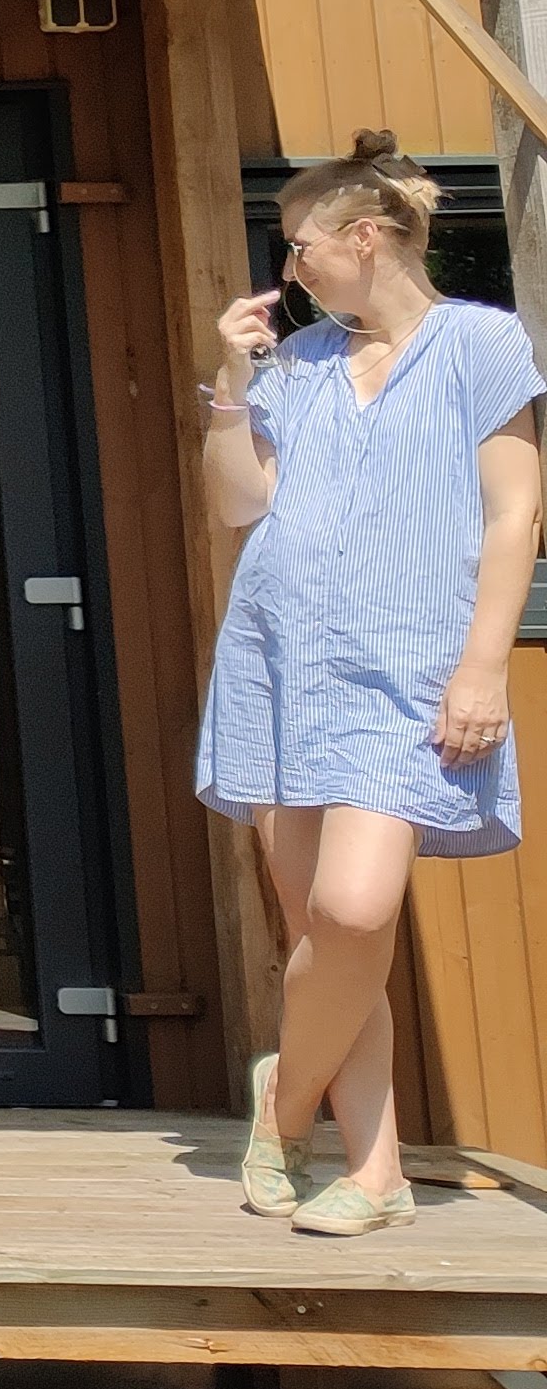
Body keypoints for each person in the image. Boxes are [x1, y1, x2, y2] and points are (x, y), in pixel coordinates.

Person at [198, 130, 546, 1235]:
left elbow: (513, 514)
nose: (288, 269)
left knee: (353, 913)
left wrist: (482, 666)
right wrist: (228, 384)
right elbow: (236, 505)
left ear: (363, 237)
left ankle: (281, 1104)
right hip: (279, 659)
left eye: (297, 248)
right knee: (326, 937)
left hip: (408, 673)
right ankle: (378, 1172)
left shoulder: (480, 345)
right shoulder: (297, 366)